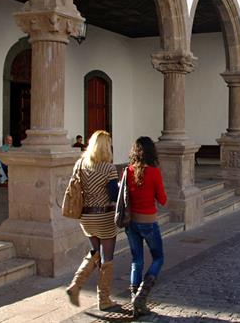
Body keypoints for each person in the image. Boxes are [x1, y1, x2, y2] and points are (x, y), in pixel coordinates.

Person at [66, 130, 120, 311]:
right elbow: (113, 194)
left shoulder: (80, 164)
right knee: (107, 257)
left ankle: (76, 285)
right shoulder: (109, 168)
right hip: (104, 215)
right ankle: (103, 299)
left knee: (94, 251)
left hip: (86, 216)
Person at [125, 136, 167, 317]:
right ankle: (142, 294)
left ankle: (134, 297)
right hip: (148, 221)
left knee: (137, 261)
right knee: (158, 257)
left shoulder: (128, 171)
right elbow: (163, 199)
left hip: (131, 222)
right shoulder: (154, 172)